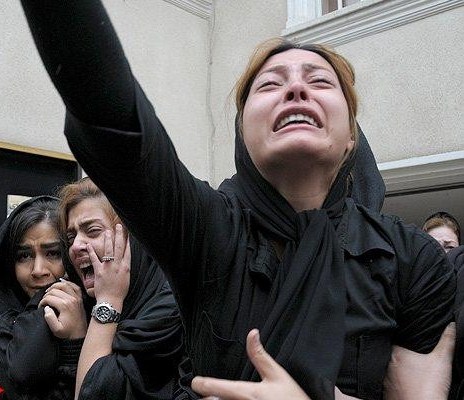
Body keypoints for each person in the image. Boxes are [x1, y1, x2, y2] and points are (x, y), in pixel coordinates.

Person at [20, 2, 456, 399]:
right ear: (243, 133)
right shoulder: (205, 229)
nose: (296, 90)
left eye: (320, 81)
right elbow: (110, 116)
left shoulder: (411, 257)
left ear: (351, 139)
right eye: (270, 85)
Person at [51, 177, 189, 400]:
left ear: (134, 239)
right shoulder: (80, 307)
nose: (76, 246)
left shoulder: (170, 311)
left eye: (92, 231)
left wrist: (108, 302)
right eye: (71, 236)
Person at [0, 195, 85, 400]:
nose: (38, 270)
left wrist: (79, 337)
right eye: (24, 256)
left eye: (53, 253)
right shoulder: (4, 318)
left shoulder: (103, 313)